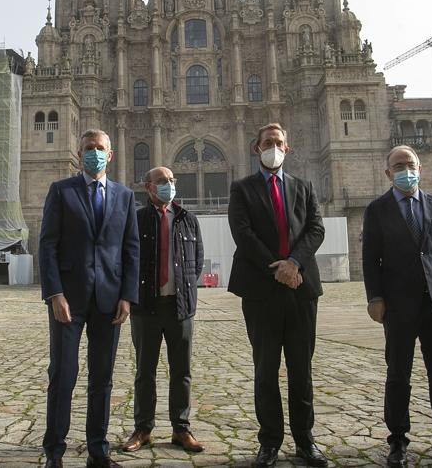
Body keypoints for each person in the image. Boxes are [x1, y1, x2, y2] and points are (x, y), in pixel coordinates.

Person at [362, 145, 432, 468]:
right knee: (398, 375)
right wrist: (375, 298)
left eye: (409, 164)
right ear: (387, 173)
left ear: (420, 168)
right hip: (397, 305)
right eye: (398, 165)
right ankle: (397, 442)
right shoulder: (377, 209)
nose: (404, 170)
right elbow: (370, 259)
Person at [228, 123, 328, 468]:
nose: (273, 147)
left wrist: (295, 263)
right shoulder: (241, 189)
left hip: (301, 288)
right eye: (267, 142)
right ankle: (269, 442)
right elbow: (243, 233)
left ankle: (305, 441)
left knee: (302, 369)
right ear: (257, 149)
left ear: (288, 149)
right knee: (265, 369)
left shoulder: (304, 187)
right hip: (261, 289)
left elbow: (316, 228)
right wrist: (279, 267)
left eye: (279, 142)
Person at [38, 129, 140, 468]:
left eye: (100, 149)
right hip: (68, 300)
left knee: (102, 378)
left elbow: (130, 249)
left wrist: (127, 296)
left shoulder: (125, 196)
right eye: (88, 148)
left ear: (110, 155)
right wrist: (54, 293)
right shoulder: (61, 191)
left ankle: (98, 449)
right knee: (63, 375)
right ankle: (55, 450)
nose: (94, 153)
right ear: (79, 153)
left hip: (109, 300)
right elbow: (48, 245)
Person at [122, 166, 205, 454]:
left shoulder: (188, 220)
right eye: (161, 181)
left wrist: (184, 289)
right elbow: (127, 260)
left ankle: (181, 429)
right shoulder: (136, 220)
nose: (168, 185)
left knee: (181, 371)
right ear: (148, 187)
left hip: (179, 308)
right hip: (146, 307)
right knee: (145, 371)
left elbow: (197, 261)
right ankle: (142, 429)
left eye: (171, 180)